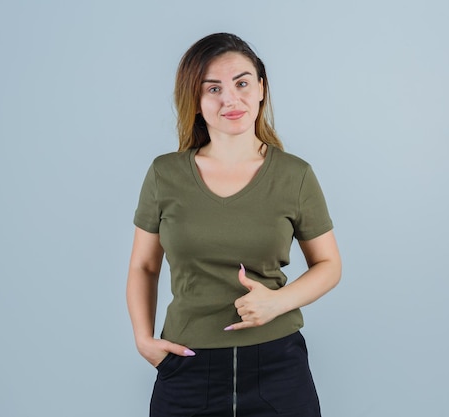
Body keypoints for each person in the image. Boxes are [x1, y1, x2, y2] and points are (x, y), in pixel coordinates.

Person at [126, 32, 341, 417]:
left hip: (278, 367)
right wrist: (143, 339)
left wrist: (277, 302)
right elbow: (144, 266)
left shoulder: (296, 176)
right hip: (187, 365)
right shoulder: (165, 174)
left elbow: (329, 265)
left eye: (242, 83)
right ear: (195, 100)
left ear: (260, 88)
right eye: (213, 89)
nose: (231, 99)